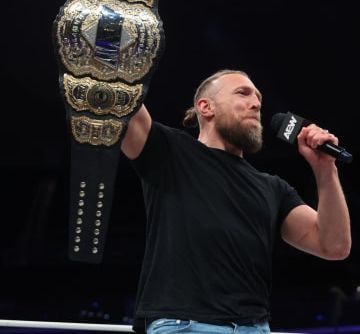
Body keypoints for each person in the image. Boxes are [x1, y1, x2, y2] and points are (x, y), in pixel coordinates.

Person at [120, 69, 352, 334]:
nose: (255, 103)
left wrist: (326, 170)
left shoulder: (273, 188)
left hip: (254, 327)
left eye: (258, 99)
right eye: (242, 93)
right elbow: (120, 101)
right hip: (184, 324)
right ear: (206, 107)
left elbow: (334, 245)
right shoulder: (171, 152)